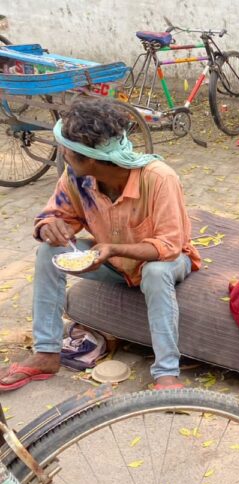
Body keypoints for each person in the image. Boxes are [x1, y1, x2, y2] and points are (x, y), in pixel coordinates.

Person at [0, 99, 200, 391]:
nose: (63, 153)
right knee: (48, 252)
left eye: (67, 149)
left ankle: (166, 372)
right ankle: (46, 353)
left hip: (165, 263)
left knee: (155, 272)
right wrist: (50, 228)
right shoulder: (76, 178)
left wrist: (114, 248)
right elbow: (55, 217)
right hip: (112, 261)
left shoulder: (159, 178)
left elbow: (169, 246)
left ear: (88, 158)